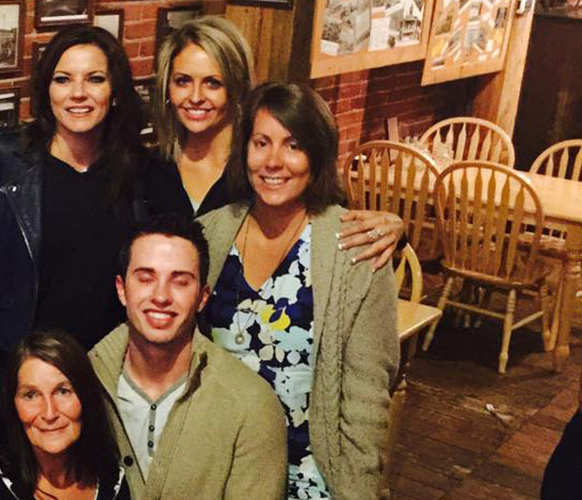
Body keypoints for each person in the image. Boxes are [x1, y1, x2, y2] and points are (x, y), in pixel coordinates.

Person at [199, 82, 398, 500]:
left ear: (318, 155)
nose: (274, 162)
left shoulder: (355, 249)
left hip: (309, 476)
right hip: (219, 471)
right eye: (261, 143)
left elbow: (367, 395)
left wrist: (358, 490)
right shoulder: (210, 235)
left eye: (293, 145)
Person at [0, 25, 147, 436]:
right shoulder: (5, 157)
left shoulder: (139, 173)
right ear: (46, 91)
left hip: (98, 370)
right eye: (63, 80)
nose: (78, 93)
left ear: (115, 93)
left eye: (94, 79)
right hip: (7, 364)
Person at [145, 15, 403, 269]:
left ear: (237, 86)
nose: (196, 97)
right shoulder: (148, 168)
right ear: (168, 88)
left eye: (213, 83)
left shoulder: (264, 167)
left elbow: (334, 219)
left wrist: (396, 228)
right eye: (183, 81)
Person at [89, 214, 288, 499]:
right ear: (122, 289)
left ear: (202, 297)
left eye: (180, 282)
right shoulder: (80, 385)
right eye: (146, 278)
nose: (161, 296)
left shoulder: (250, 404)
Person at [0, 331, 129, 500]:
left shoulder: (111, 483)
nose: (49, 412)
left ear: (85, 397)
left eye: (62, 391)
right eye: (31, 395)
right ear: (14, 405)